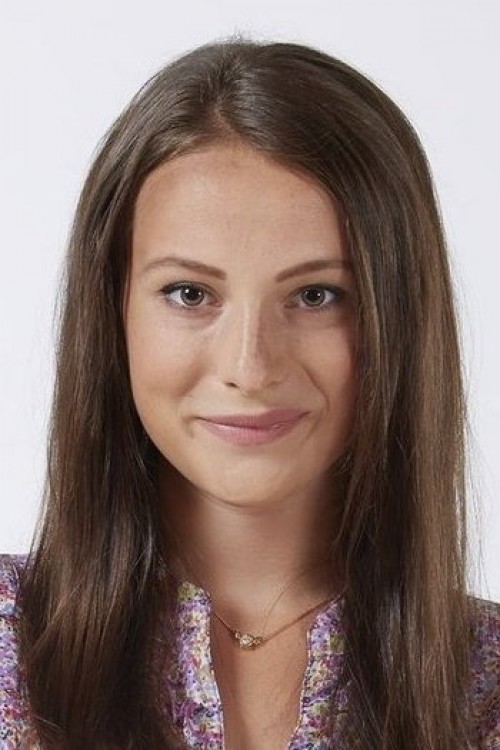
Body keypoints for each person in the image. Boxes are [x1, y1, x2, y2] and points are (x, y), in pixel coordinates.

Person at [0, 36, 498, 750]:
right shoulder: (9, 645)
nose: (250, 367)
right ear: (112, 312)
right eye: (189, 293)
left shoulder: (486, 683)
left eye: (317, 295)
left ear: (399, 319)